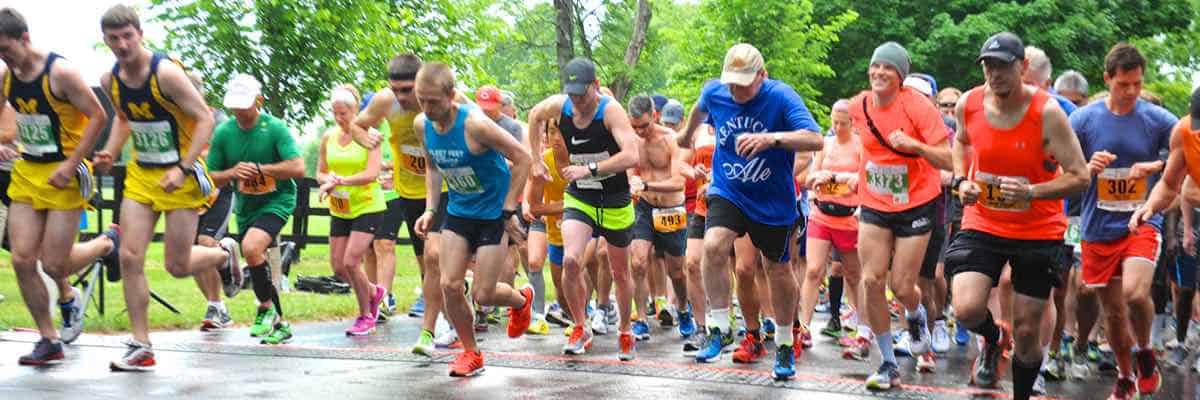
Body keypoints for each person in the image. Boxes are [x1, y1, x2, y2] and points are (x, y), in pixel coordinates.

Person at [93, 5, 241, 371]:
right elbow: (125, 120)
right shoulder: (110, 79)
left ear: (140, 34)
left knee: (176, 265)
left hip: (182, 176)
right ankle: (141, 344)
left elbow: (205, 118)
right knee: (130, 257)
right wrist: (110, 152)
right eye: (114, 39)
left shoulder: (166, 74)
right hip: (144, 176)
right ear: (106, 41)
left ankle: (224, 255)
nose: (122, 44)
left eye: (128, 36)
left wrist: (183, 166)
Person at [946, 32, 1088, 400]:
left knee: (1027, 332)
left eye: (1003, 66)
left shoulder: (1048, 113)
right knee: (965, 308)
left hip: (1038, 228)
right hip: (984, 220)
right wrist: (961, 180)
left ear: (1022, 67)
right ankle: (994, 339)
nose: (995, 74)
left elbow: (1080, 176)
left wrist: (1032, 192)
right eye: (988, 66)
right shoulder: (969, 103)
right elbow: (961, 142)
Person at [674, 43, 823, 379]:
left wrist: (772, 139)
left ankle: (785, 343)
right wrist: (684, 136)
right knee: (713, 246)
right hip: (729, 189)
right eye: (732, 83)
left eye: (744, 83)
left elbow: (815, 139)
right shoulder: (715, 92)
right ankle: (721, 326)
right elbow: (699, 111)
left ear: (762, 76)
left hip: (773, 199)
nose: (736, 91)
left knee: (776, 269)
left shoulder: (782, 97)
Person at [0, 7, 120, 365]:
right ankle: (48, 339)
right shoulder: (7, 75)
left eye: (6, 49)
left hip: (67, 173)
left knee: (54, 264)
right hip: (28, 171)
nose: (3, 57)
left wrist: (71, 164)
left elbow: (99, 115)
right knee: (22, 259)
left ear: (25, 38)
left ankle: (106, 244)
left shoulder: (61, 72)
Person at [411, 63, 534, 377]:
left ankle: (521, 301)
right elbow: (433, 167)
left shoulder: (475, 125)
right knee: (450, 284)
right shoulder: (421, 125)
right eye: (421, 100)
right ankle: (471, 353)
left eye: (433, 101)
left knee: (483, 293)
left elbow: (522, 158)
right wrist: (429, 209)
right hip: (460, 211)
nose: (427, 108)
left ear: (451, 96)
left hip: (493, 215)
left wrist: (508, 210)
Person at [846, 41, 952, 390]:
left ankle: (916, 315)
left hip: (916, 202)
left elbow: (949, 159)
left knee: (902, 285)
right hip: (876, 201)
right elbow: (866, 150)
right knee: (871, 280)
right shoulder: (858, 106)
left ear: (901, 77)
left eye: (888, 68)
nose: (879, 72)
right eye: (875, 66)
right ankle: (888, 364)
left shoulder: (918, 107)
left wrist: (916, 146)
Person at [1076, 43, 1176, 400]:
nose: (1132, 91)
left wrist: (1158, 165)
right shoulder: (1084, 120)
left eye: (1137, 83)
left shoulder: (1158, 120)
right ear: (1107, 80)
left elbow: (1187, 151)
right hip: (1098, 226)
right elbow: (1062, 169)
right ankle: (1124, 375)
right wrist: (1086, 168)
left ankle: (1145, 351)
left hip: (1142, 219)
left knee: (1135, 294)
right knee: (1114, 315)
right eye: (1123, 84)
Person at [527, 58, 641, 360]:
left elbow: (631, 154)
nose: (577, 100)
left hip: (615, 197)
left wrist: (590, 168)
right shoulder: (559, 105)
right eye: (572, 93)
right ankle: (580, 326)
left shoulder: (611, 111)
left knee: (620, 271)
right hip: (581, 195)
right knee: (571, 261)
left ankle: (626, 329)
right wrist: (536, 160)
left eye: (582, 93)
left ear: (596, 86)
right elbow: (534, 115)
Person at [348, 54, 450, 355]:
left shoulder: (438, 100)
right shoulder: (384, 102)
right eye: (396, 90)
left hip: (444, 187)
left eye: (408, 90)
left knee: (434, 255)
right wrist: (365, 138)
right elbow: (358, 124)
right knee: (425, 263)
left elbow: (471, 120)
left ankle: (438, 323)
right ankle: (452, 300)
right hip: (409, 190)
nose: (402, 97)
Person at [204, 73, 306, 347]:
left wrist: (263, 169)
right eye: (234, 105)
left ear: (258, 101)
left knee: (250, 248)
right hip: (247, 206)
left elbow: (297, 167)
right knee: (262, 261)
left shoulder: (275, 128)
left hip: (278, 201)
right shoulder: (224, 133)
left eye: (244, 105)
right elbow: (211, 175)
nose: (239, 111)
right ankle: (280, 324)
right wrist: (233, 172)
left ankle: (263, 306)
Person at [318, 84, 388, 336]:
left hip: (368, 205)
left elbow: (371, 173)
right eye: (335, 113)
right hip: (340, 208)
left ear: (356, 110)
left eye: (344, 113)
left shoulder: (371, 135)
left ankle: (365, 315)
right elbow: (320, 171)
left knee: (351, 261)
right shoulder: (328, 136)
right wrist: (327, 181)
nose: (339, 118)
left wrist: (342, 181)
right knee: (338, 267)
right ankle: (372, 291)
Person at [797, 99, 864, 359]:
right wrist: (818, 178)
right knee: (814, 270)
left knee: (853, 274)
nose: (837, 127)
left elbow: (867, 181)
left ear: (853, 123)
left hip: (849, 218)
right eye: (834, 122)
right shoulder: (826, 144)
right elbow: (807, 179)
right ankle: (804, 326)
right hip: (822, 215)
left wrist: (849, 181)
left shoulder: (860, 146)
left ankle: (860, 327)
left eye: (842, 123)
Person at [627, 94, 693, 341]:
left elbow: (678, 183)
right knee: (638, 262)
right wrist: (632, 182)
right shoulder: (632, 140)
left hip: (671, 209)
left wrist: (644, 184)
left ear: (654, 116)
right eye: (635, 127)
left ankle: (684, 310)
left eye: (644, 125)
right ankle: (642, 318)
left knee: (677, 271)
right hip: (644, 207)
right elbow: (629, 172)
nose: (640, 131)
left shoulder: (670, 140)